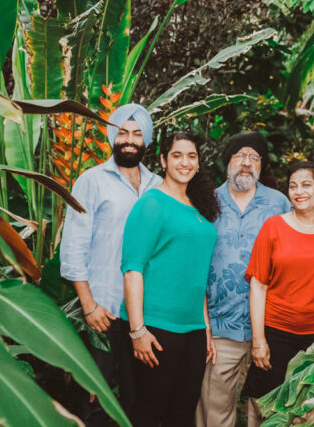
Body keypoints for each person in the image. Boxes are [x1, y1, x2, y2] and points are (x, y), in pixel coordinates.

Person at [60, 103, 161, 425]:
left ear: (146, 140)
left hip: (145, 314)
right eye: (122, 133)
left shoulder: (159, 186)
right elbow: (73, 246)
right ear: (112, 137)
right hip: (103, 311)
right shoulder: (91, 181)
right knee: (94, 399)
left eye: (136, 134)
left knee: (139, 399)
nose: (129, 140)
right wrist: (88, 306)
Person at [121, 131, 219, 426]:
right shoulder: (152, 203)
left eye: (191, 156)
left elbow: (196, 274)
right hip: (156, 326)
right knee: (149, 413)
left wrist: (205, 328)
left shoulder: (198, 207)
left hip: (193, 328)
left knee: (182, 414)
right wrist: (137, 331)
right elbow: (132, 270)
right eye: (177, 155)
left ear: (199, 163)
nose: (185, 162)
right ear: (163, 161)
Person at [197, 131, 291, 427]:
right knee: (214, 408)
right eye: (239, 156)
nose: (246, 163)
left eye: (254, 157)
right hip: (219, 324)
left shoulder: (279, 204)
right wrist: (204, 325)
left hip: (269, 324)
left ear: (261, 164)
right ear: (228, 162)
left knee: (266, 409)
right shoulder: (206, 201)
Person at [243, 162, 314, 426]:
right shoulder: (273, 227)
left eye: (306, 185)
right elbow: (258, 286)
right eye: (293, 186)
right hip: (277, 334)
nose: (298, 191)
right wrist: (259, 341)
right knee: (271, 410)